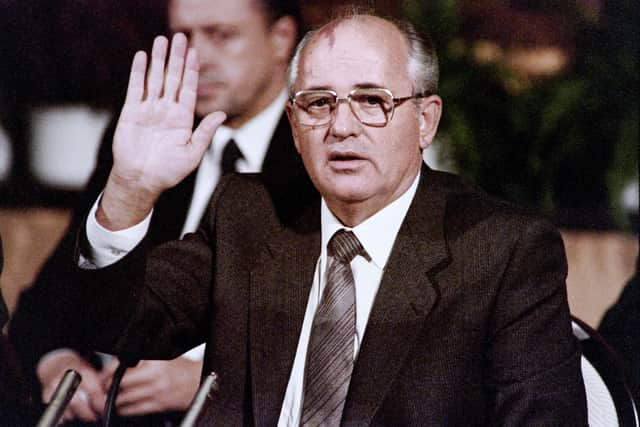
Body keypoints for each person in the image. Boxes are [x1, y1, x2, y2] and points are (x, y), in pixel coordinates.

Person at [29, 12, 587, 425]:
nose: (341, 127)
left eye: (372, 101)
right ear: (294, 128)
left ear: (425, 120)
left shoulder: (503, 249)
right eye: (319, 103)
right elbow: (124, 326)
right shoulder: (253, 213)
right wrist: (131, 188)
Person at [8, 0, 311, 424]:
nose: (198, 58)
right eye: (183, 37)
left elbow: (350, 342)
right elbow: (48, 302)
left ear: (281, 39)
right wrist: (57, 363)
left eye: (221, 35)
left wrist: (212, 381)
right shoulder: (146, 134)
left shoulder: (323, 154)